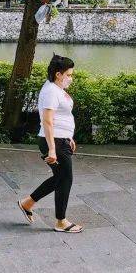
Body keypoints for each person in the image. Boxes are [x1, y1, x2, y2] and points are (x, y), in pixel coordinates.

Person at [17, 54, 83, 233]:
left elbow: (62, 116)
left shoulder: (55, 87)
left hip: (61, 140)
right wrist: (52, 149)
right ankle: (61, 222)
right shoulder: (51, 91)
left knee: (60, 178)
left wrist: (69, 136)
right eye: (68, 75)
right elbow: (47, 121)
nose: (71, 78)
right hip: (54, 142)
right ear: (58, 74)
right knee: (65, 179)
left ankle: (27, 203)